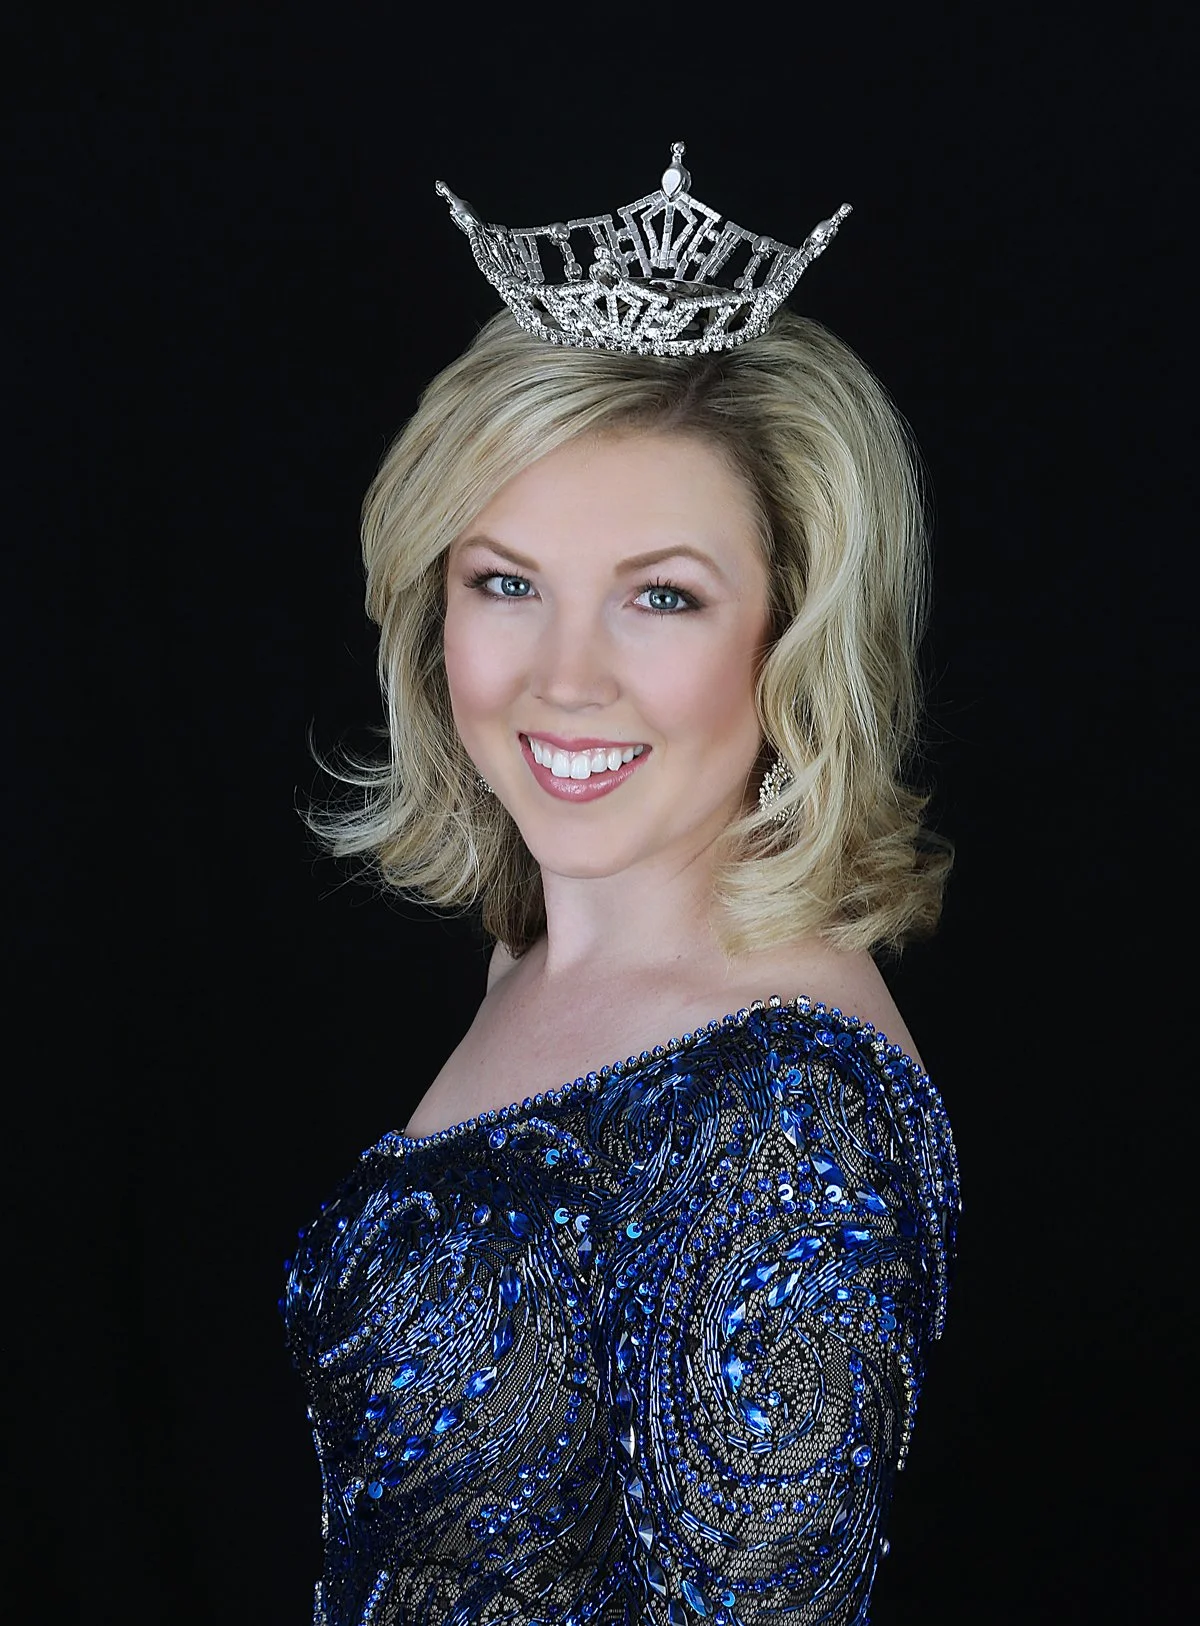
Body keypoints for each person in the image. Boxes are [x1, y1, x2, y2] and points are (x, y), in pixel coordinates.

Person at [282, 147, 961, 1626]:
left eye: (662, 595)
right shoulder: (530, 960)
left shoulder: (792, 1114)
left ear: (792, 638)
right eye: (505, 582)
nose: (562, 680)